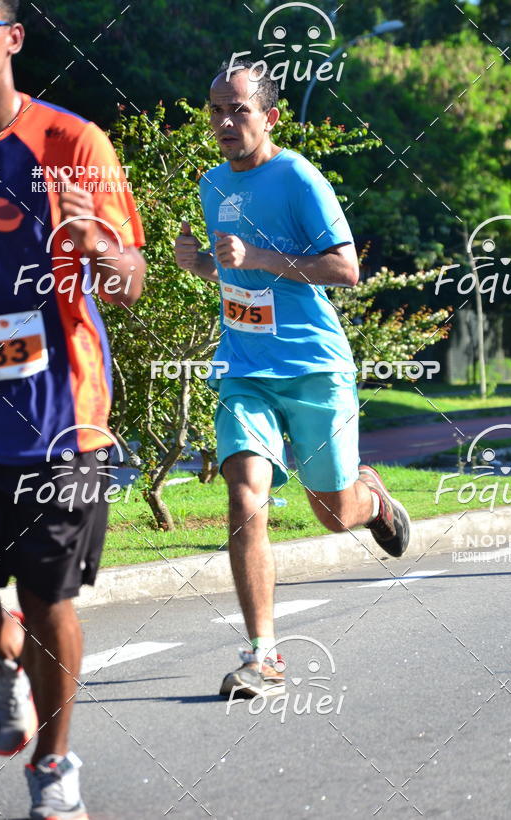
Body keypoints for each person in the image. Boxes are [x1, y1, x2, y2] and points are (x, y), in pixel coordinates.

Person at [175, 59, 410, 700]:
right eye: (216, 109)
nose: (225, 121)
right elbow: (237, 283)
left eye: (239, 110)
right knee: (244, 495)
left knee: (333, 515)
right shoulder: (210, 183)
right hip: (245, 370)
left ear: (270, 116)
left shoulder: (299, 177)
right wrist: (203, 265)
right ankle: (263, 654)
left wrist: (259, 258)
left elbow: (346, 268)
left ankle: (373, 498)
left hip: (312, 366)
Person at [0, 0, 146, 820]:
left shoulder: (70, 145)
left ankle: (53, 767)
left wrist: (104, 251)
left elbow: (130, 277)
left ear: (11, 39)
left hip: (58, 421)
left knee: (47, 600)